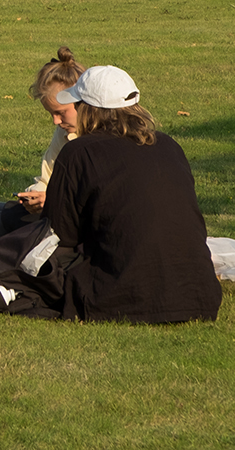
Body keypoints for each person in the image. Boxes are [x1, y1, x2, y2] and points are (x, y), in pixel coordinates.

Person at [46, 64, 220, 323]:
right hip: (199, 297)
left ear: (88, 109)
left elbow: (59, 236)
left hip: (117, 298)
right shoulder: (170, 145)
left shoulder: (79, 152)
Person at [0, 47, 84, 241]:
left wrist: (54, 202)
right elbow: (47, 178)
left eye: (61, 112)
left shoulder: (99, 141)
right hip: (53, 215)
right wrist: (35, 195)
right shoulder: (63, 132)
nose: (55, 121)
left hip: (75, 225)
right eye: (51, 114)